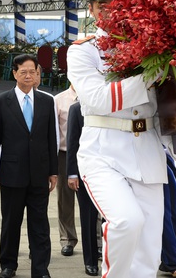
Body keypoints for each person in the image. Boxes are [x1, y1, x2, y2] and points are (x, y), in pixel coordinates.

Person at [67, 0, 166, 278]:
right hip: (103, 151)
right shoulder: (84, 51)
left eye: (117, 2)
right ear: (92, 8)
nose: (111, 10)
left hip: (147, 148)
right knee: (126, 221)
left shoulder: (152, 45)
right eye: (103, 3)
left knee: (150, 245)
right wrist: (152, 77)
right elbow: (96, 99)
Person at [0, 54, 58, 278]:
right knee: (11, 222)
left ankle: (41, 268)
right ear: (14, 73)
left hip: (39, 173)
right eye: (24, 71)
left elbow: (51, 139)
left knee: (40, 224)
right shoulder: (0, 101)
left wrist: (53, 171)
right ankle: (8, 265)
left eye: (33, 71)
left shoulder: (47, 101)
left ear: (38, 74)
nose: (29, 76)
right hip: (11, 173)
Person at [66, 102, 100, 276]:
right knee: (88, 217)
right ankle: (91, 261)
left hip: (113, 169)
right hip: (85, 171)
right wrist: (72, 173)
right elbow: (72, 142)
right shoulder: (76, 109)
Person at [53, 85, 79, 257]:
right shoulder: (58, 100)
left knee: (95, 200)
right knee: (65, 199)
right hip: (64, 154)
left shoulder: (95, 95)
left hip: (90, 154)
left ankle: (97, 240)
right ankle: (67, 239)